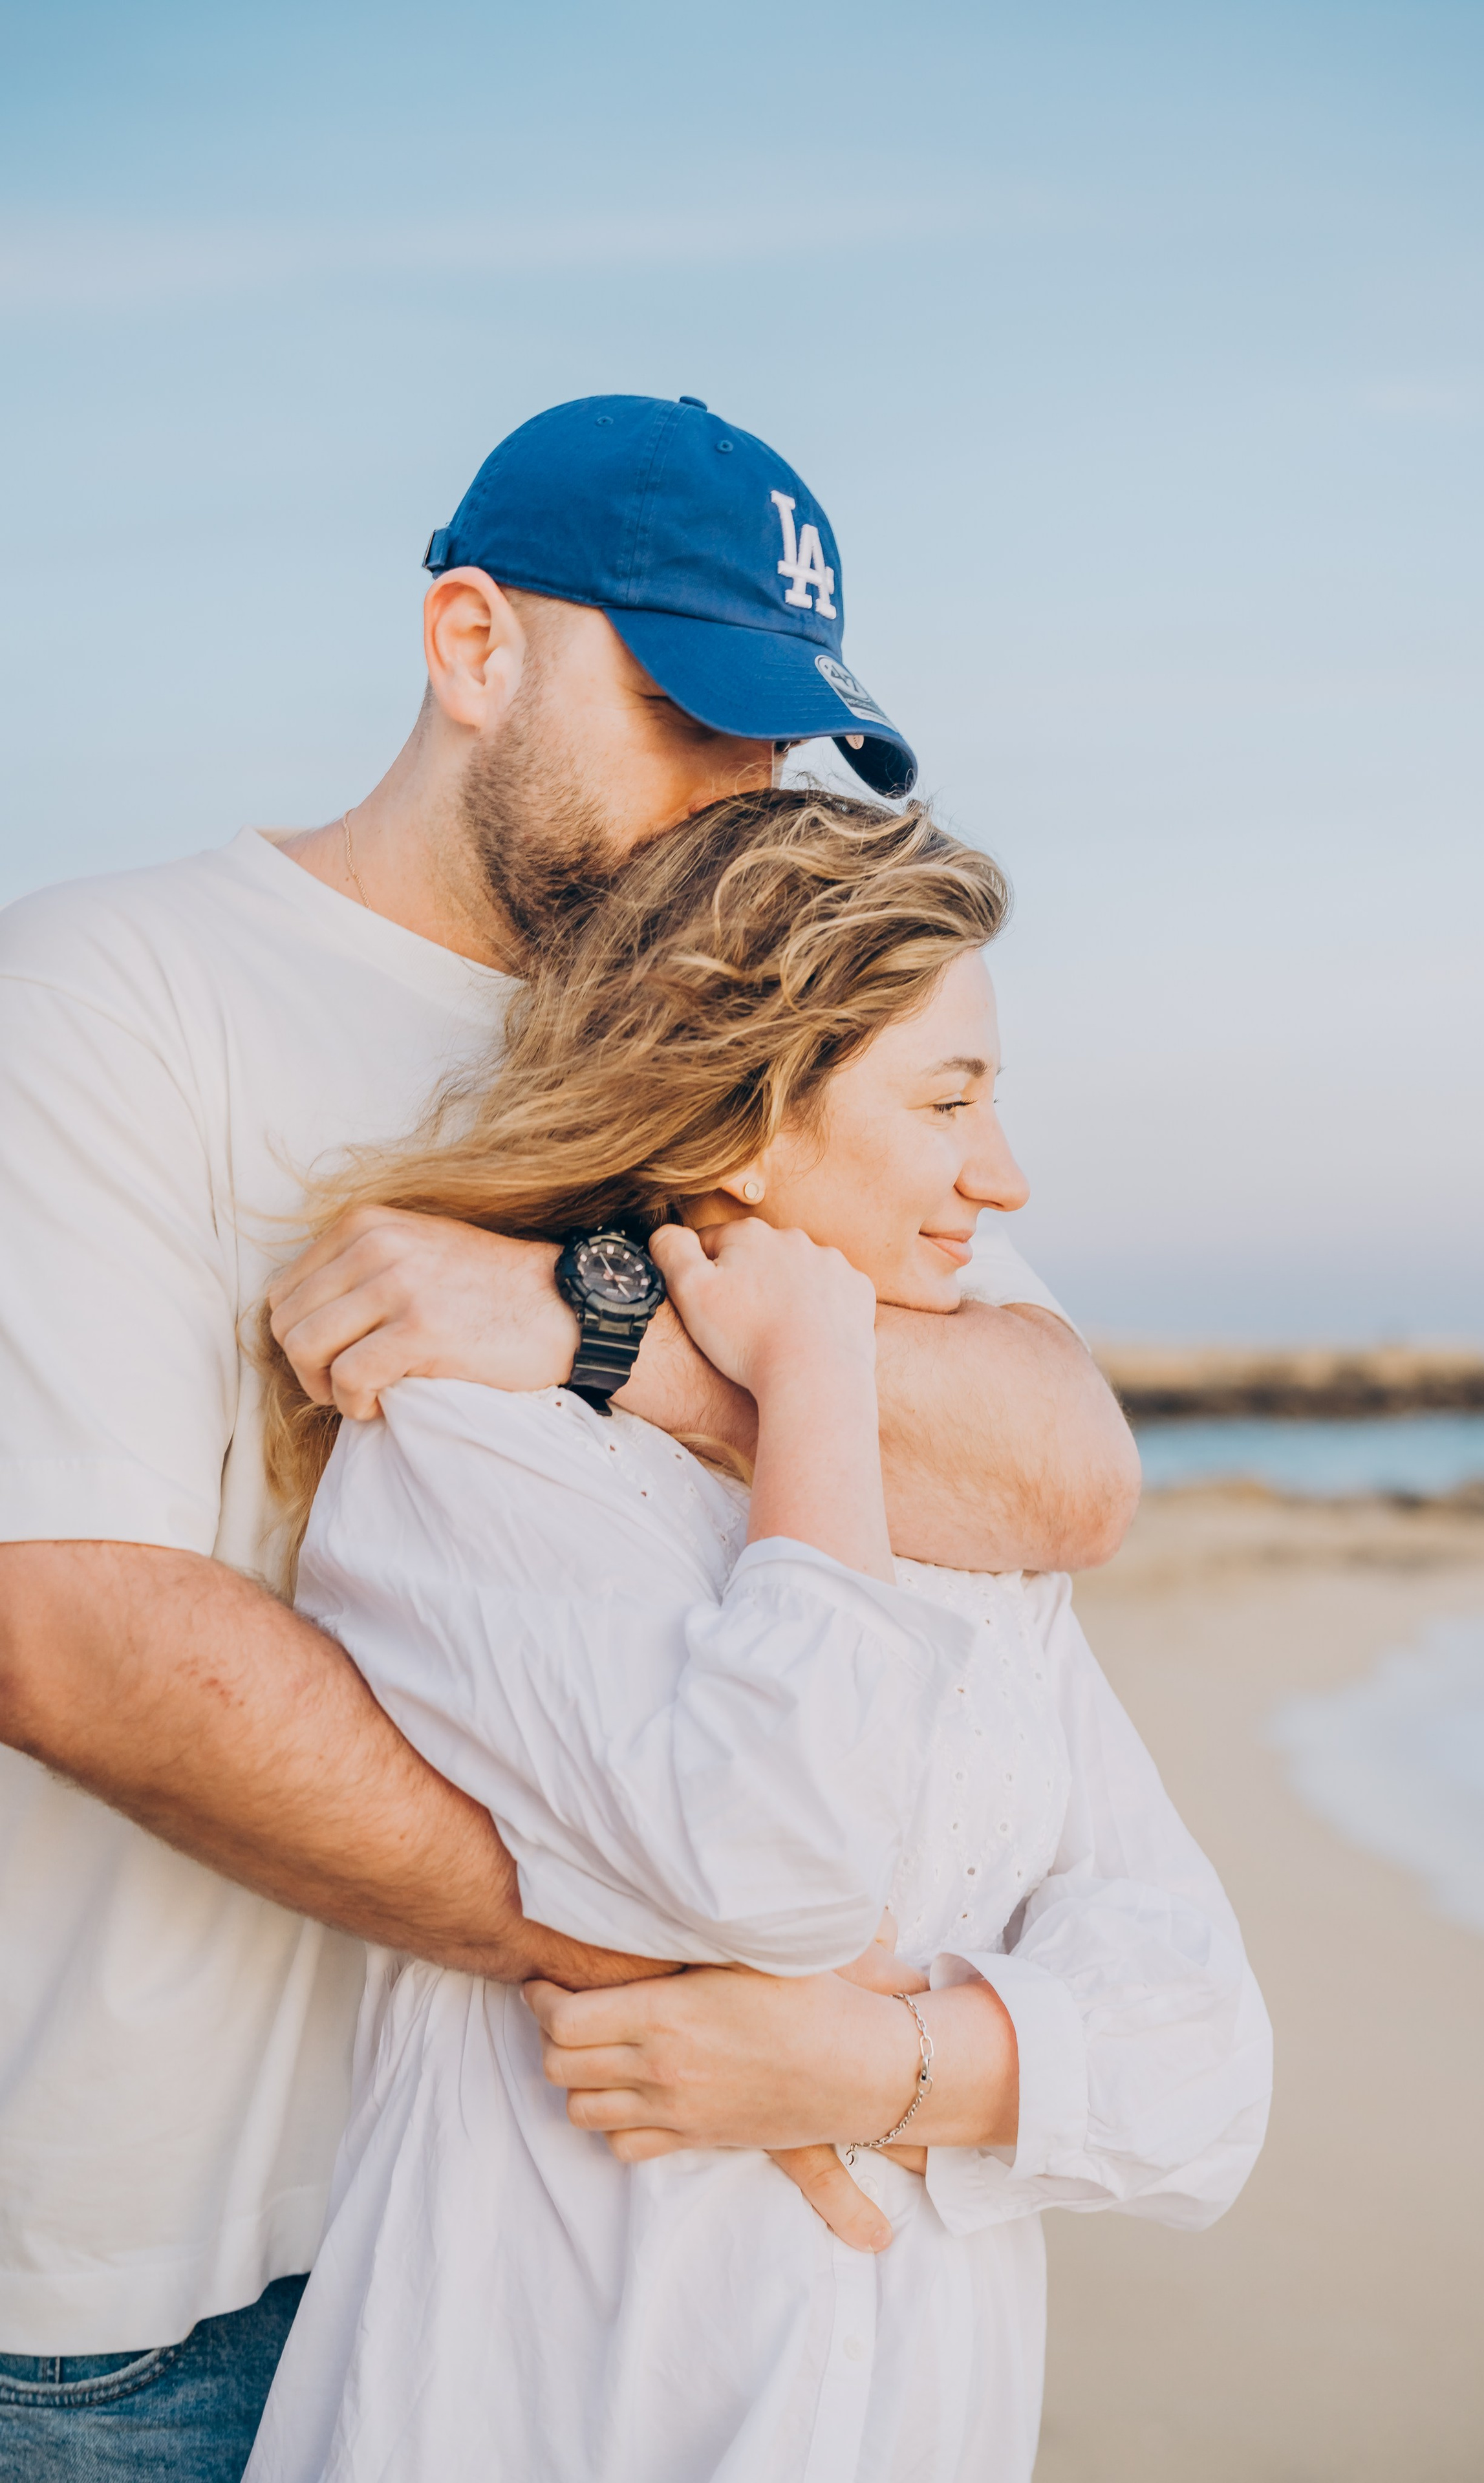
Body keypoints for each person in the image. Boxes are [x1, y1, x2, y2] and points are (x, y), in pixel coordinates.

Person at [0, 396, 1140, 2478]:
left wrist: (593, 1327)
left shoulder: (742, 1032)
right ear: (469, 644)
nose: (739, 799)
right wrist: (672, 1984)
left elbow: (1062, 1470)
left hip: (547, 2260)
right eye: (687, 718)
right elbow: (73, 1628)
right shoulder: (109, 990)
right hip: (141, 2301)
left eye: (779, 746)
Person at [244, 786, 1271, 2483]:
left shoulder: (955, 1498)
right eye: (950, 1101)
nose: (1000, 1180)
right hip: (568, 2408)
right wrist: (807, 1383)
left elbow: (1211, 2063)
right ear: (731, 1111)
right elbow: (778, 1857)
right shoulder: (466, 1451)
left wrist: (891, 2063)